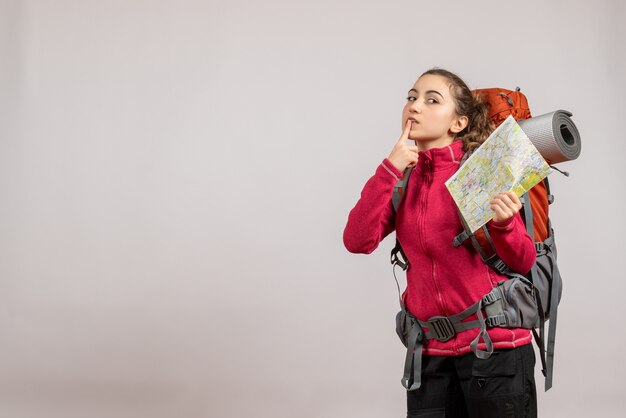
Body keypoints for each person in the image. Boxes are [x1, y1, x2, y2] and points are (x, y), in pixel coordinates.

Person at [343, 68, 538, 418]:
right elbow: (357, 240)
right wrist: (390, 168)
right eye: (411, 97)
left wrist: (505, 224)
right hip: (430, 358)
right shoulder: (402, 181)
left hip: (494, 353)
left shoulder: (482, 170)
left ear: (458, 123)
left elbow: (523, 262)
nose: (415, 107)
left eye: (432, 100)